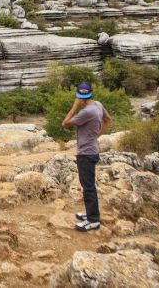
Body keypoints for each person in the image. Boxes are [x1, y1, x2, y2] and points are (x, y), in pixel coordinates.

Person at [62, 82, 112, 232]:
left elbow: (65, 123)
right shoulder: (97, 105)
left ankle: (93, 220)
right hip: (92, 150)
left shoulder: (87, 112)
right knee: (88, 185)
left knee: (88, 187)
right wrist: (97, 134)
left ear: (79, 96)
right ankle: (90, 214)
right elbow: (108, 120)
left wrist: (75, 106)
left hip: (86, 153)